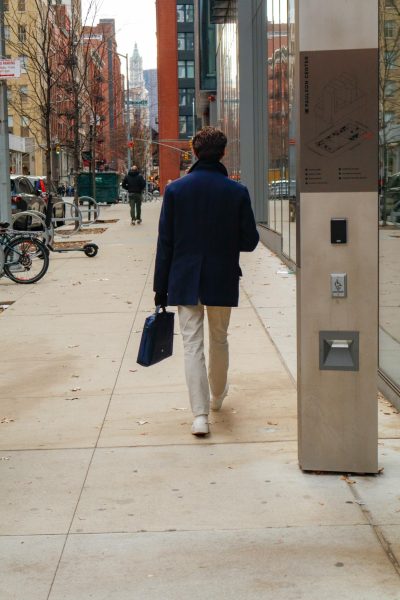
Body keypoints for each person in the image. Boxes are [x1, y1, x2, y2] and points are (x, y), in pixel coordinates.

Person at [153, 127, 259, 437]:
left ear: (194, 152)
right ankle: (217, 396)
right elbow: (250, 241)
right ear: (223, 153)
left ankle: (199, 416)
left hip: (185, 278)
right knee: (220, 338)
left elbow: (165, 244)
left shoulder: (175, 191)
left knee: (192, 346)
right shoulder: (236, 192)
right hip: (221, 275)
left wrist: (161, 288)